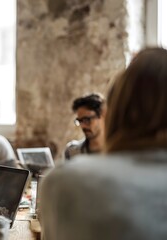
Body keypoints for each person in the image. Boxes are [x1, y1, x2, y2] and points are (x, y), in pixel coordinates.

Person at [40, 47, 167, 240]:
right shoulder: (73, 154)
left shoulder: (65, 182)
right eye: (79, 121)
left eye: (88, 119)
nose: (84, 126)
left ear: (108, 114)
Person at [64, 93, 106, 160]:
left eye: (87, 120)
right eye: (80, 121)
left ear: (103, 116)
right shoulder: (72, 152)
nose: (82, 126)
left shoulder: (119, 152)